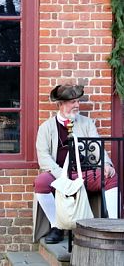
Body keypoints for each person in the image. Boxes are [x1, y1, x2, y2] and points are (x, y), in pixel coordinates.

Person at [33, 84, 118, 244]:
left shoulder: (86, 123)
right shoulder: (46, 128)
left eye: (77, 101)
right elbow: (44, 158)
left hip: (84, 173)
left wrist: (106, 163)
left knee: (111, 177)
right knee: (40, 183)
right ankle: (56, 226)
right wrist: (62, 178)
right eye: (72, 102)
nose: (77, 105)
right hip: (58, 174)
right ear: (60, 104)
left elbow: (97, 146)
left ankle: (114, 227)